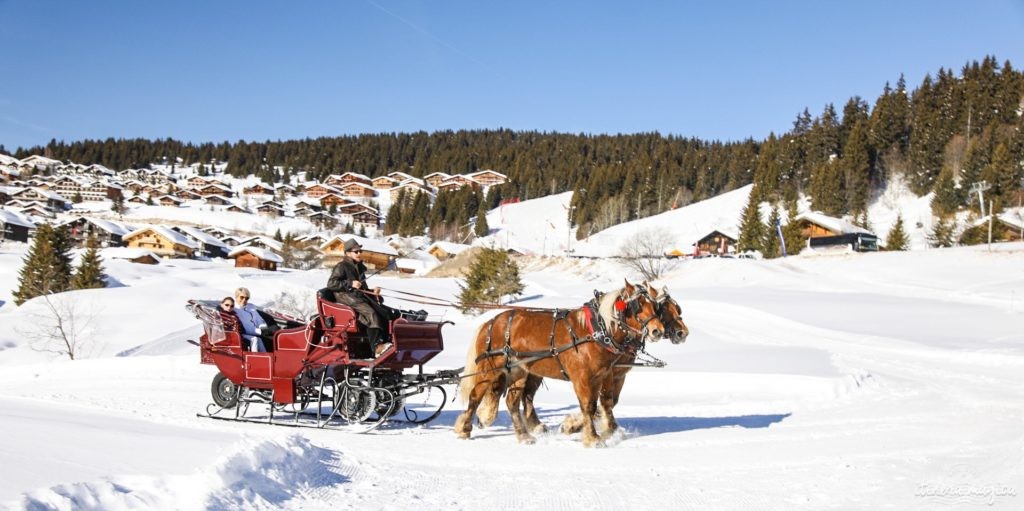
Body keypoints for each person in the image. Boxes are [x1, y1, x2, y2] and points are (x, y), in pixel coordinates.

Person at [324, 239, 399, 357]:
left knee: (385, 312)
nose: (359, 253)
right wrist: (350, 283)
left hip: (357, 296)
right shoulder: (341, 266)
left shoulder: (359, 267)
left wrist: (372, 292)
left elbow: (362, 288)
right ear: (348, 253)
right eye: (356, 251)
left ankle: (386, 342)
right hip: (345, 297)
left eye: (360, 251)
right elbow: (331, 283)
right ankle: (377, 347)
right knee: (371, 313)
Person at [233, 287, 277, 352]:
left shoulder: (250, 306)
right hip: (249, 332)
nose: (244, 300)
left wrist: (263, 328)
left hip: (258, 330)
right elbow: (246, 327)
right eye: (241, 297)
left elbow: (259, 319)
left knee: (275, 331)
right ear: (236, 297)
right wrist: (261, 332)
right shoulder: (235, 310)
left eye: (246, 298)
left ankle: (266, 357)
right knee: (270, 338)